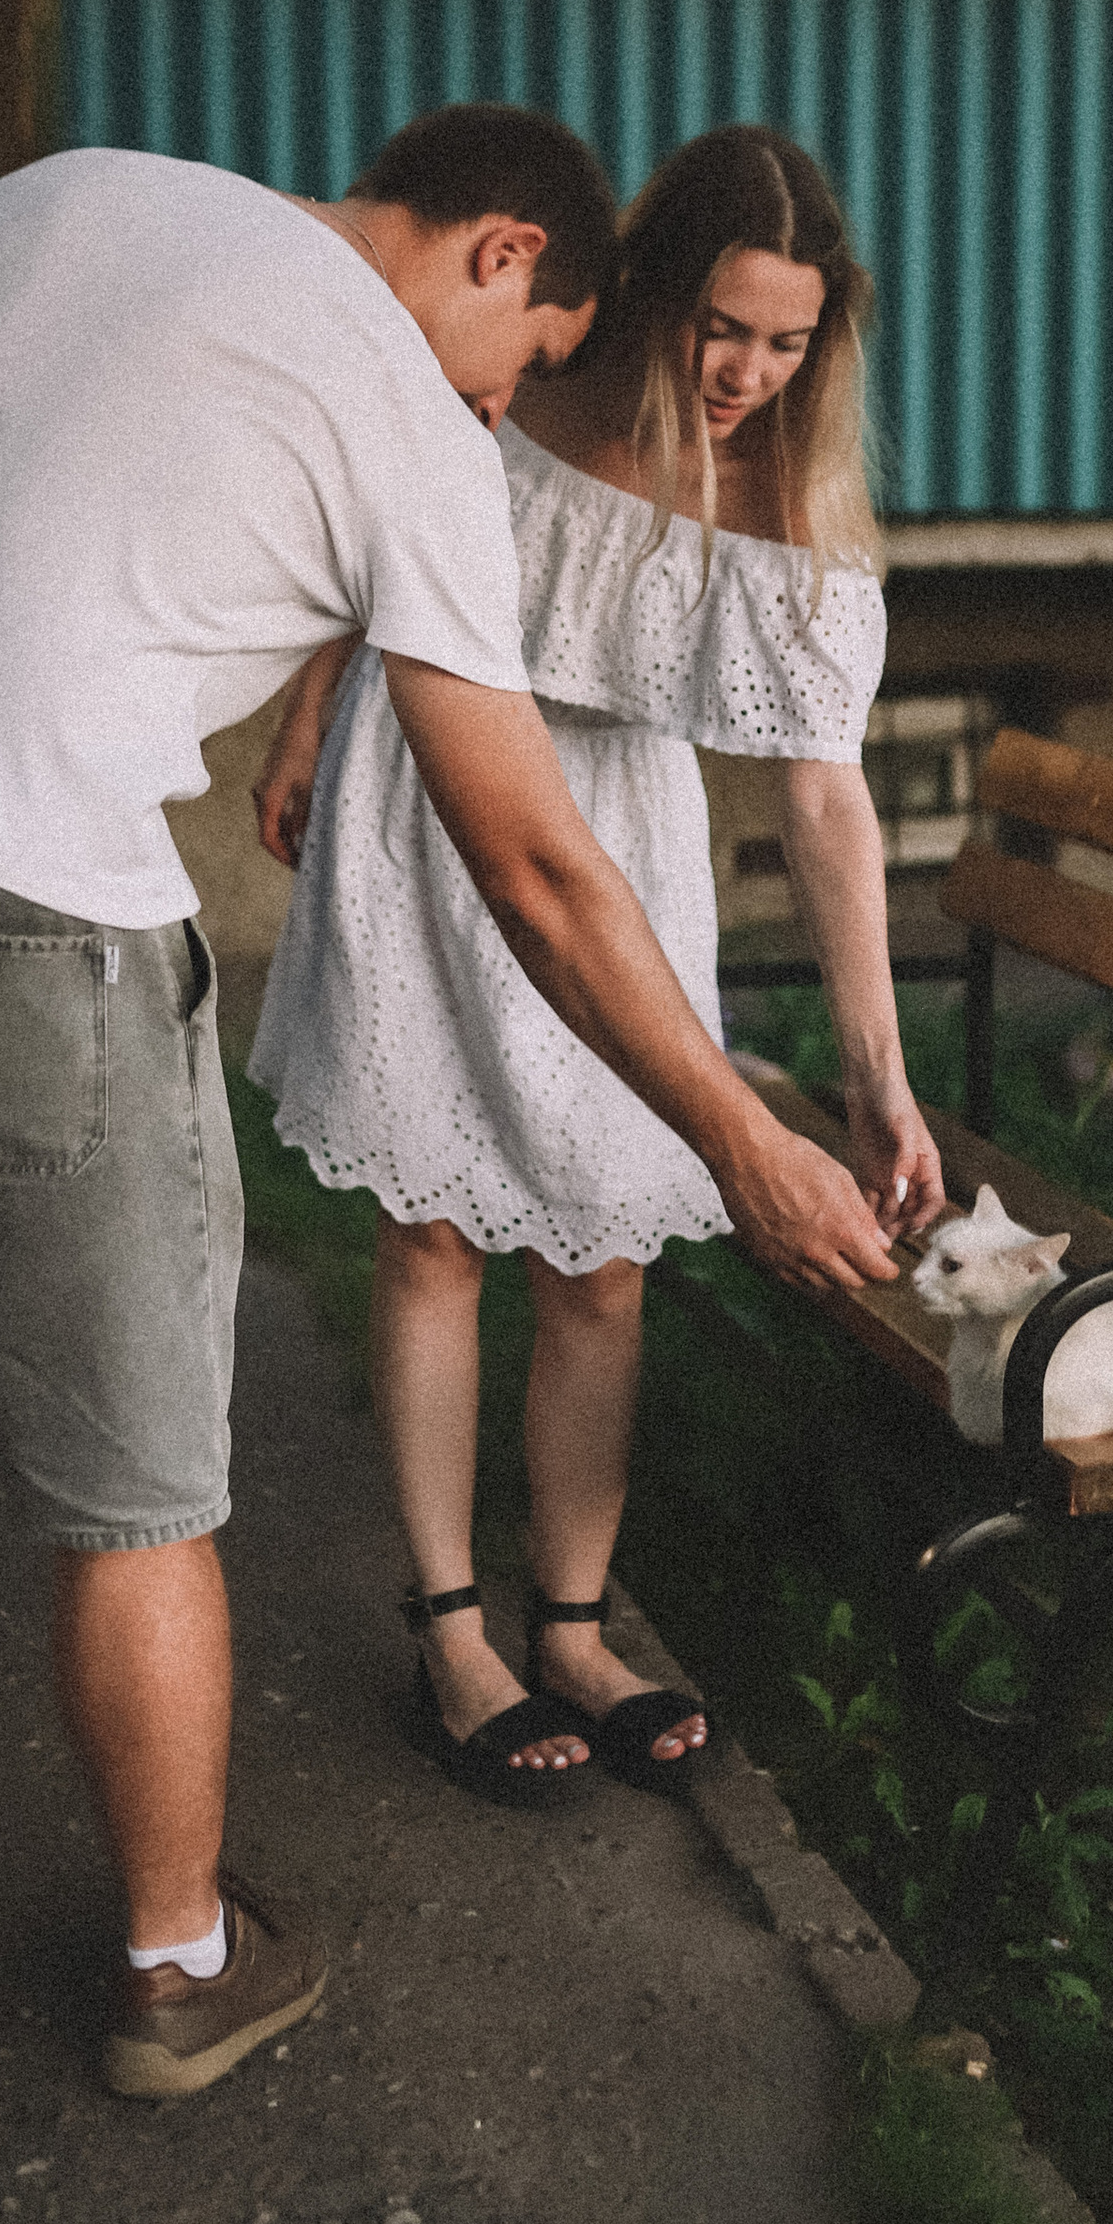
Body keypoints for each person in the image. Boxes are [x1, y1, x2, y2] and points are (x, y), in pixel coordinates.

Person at [0, 111, 897, 2155]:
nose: (490, 402)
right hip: (25, 909)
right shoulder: (401, 412)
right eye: (514, 359)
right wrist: (743, 1143)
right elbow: (536, 863)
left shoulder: (44, 198)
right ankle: (171, 1961)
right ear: (501, 250)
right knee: (138, 1497)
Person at [247, 126, 947, 1799]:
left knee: (606, 1245)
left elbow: (827, 801)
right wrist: (309, 705)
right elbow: (386, 553)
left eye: (788, 342)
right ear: (652, 287)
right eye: (725, 327)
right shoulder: (525, 384)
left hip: (622, 848)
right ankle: (450, 1630)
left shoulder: (793, 490)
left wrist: (878, 1073)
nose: (746, 371)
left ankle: (575, 1622)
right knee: (430, 1234)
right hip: (435, 805)